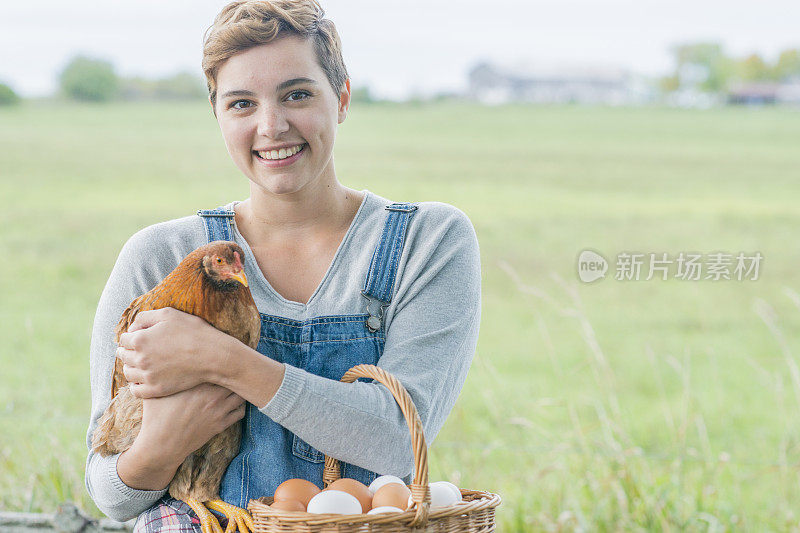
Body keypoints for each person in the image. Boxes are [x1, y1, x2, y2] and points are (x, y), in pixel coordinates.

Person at [84, 0, 481, 530]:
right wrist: (159, 447)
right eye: (242, 104)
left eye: (297, 94)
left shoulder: (426, 242)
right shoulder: (157, 256)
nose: (271, 126)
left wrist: (221, 360)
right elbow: (109, 492)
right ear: (218, 115)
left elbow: (393, 440)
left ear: (340, 98)